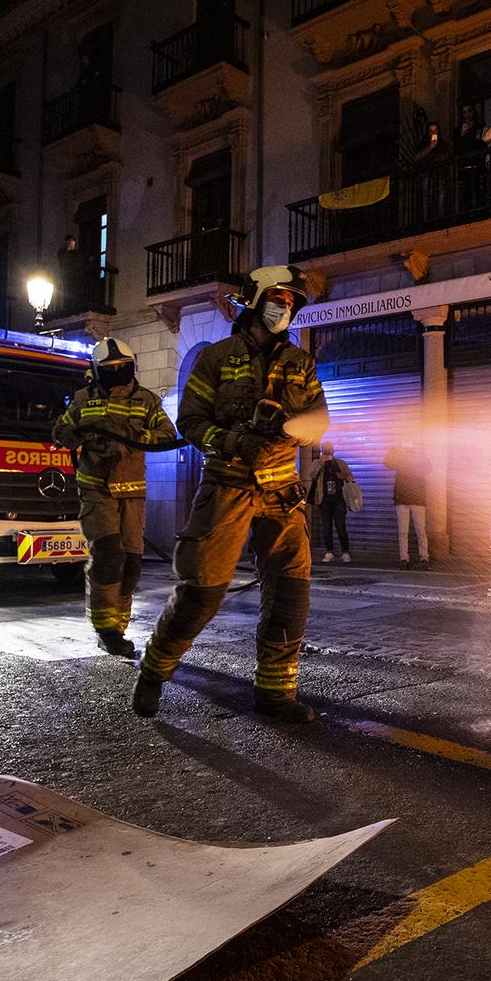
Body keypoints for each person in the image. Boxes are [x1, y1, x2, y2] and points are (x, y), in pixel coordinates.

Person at [134, 266, 330, 723]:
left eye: (292, 302)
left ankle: (275, 694)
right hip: (227, 486)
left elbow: (319, 419)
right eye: (278, 298)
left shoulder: (300, 362)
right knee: (202, 591)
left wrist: (287, 428)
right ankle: (154, 670)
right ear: (254, 300)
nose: (285, 308)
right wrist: (236, 440)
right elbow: (192, 421)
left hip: (282, 489)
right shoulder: (216, 358)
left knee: (290, 592)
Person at [52, 336, 180, 659]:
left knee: (132, 564)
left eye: (123, 367)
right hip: (96, 489)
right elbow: (60, 431)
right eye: (111, 369)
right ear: (97, 372)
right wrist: (79, 435)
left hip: (132, 493)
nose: (118, 372)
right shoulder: (83, 399)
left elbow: (167, 435)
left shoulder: (148, 401)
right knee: (108, 555)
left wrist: (135, 436)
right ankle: (106, 630)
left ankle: (118, 625)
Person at [384, 440, 431, 569]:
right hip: (406, 499)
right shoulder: (400, 457)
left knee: (418, 531)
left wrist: (419, 452)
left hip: (413, 498)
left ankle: (423, 558)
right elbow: (387, 463)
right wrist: (393, 450)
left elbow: (428, 468)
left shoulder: (420, 456)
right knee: (408, 531)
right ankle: (406, 559)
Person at [306, 444, 355, 563]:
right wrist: (320, 464)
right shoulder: (317, 462)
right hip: (324, 500)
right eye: (325, 450)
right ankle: (329, 551)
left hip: (339, 499)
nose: (327, 453)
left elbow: (350, 477)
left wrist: (343, 476)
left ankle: (345, 552)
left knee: (340, 526)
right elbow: (311, 475)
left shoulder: (340, 463)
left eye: (329, 450)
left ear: (333, 451)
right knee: (326, 527)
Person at [454, 105, 483, 211]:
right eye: (464, 112)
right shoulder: (458, 130)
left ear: (473, 112)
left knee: (478, 188)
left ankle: (479, 210)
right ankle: (467, 211)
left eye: (469, 111)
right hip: (464, 164)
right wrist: (461, 134)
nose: (467, 114)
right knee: (466, 191)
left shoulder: (479, 127)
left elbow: (483, 143)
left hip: (477, 162)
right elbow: (456, 148)